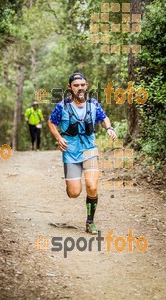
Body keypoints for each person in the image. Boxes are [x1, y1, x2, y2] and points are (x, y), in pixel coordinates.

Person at [48, 71, 117, 234]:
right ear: (70, 87)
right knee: (74, 193)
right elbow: (51, 122)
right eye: (76, 85)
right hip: (70, 152)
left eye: (82, 85)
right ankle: (70, 185)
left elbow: (104, 117)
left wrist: (109, 128)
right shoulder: (62, 106)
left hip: (89, 151)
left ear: (86, 86)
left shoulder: (93, 104)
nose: (80, 88)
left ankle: (90, 221)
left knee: (92, 186)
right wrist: (59, 138)